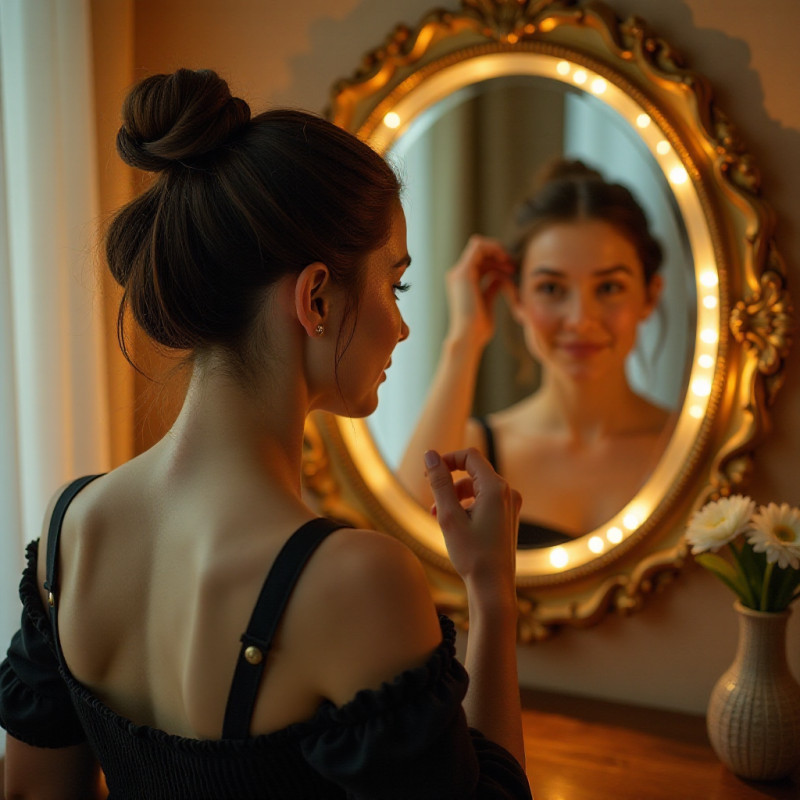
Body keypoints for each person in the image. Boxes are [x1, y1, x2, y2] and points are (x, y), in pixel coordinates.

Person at [0, 68, 532, 799]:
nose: (402, 325)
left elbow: (31, 793)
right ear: (315, 297)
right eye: (394, 283)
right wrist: (493, 594)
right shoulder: (359, 583)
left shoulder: (73, 530)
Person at [398, 160, 672, 548]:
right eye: (551, 288)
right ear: (516, 297)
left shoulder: (689, 448)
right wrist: (464, 339)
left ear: (650, 295)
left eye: (609, 287)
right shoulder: (475, 451)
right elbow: (399, 538)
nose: (580, 320)